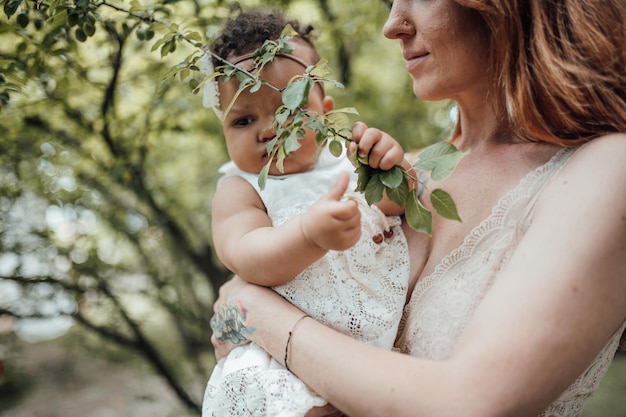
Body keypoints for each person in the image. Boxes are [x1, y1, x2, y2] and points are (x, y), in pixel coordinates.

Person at [210, 1, 626, 416]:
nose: (392, 25)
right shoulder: (395, 174)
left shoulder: (606, 170)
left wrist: (253, 312)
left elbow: (471, 403)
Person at [202, 9, 415, 417]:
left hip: (364, 343)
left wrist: (390, 167)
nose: (267, 129)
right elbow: (247, 255)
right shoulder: (241, 188)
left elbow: (396, 206)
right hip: (276, 359)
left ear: (325, 110)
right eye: (244, 119)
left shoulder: (346, 163)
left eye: (290, 110)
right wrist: (308, 236)